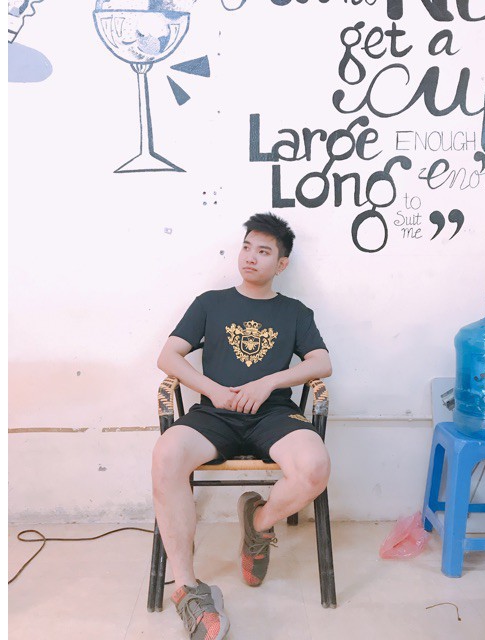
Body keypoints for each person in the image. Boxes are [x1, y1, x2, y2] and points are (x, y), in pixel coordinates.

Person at [153, 212, 332, 639]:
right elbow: (168, 356)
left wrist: (269, 381)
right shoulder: (210, 303)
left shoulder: (294, 312)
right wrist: (212, 390)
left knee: (315, 467)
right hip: (215, 414)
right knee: (166, 455)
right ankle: (187, 590)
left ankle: (259, 523)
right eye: (247, 247)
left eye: (264, 251)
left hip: (273, 415)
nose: (251, 257)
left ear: (281, 264)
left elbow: (322, 362)